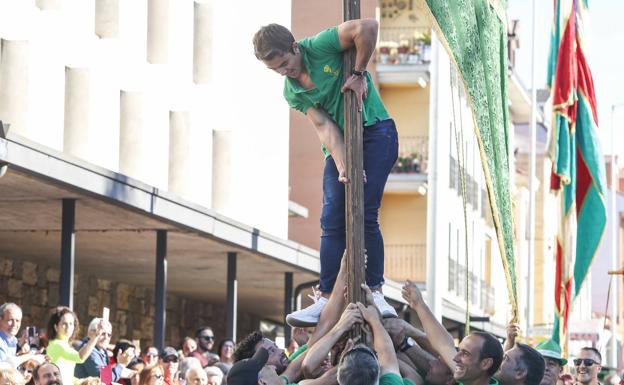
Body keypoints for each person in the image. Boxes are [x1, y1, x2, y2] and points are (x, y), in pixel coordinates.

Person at [252, 19, 399, 327]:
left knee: (364, 212)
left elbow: (368, 28)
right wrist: (344, 165)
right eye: (275, 70)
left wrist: (358, 74)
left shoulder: (320, 45)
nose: (283, 72)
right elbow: (323, 126)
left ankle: (375, 290)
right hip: (340, 142)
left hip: (375, 132)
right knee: (331, 218)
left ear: (294, 47)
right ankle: (325, 296)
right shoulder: (291, 92)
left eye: (284, 64)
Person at [402, 280, 503, 385]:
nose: (455, 358)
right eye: (459, 351)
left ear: (486, 363)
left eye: (465, 353)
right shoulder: (467, 375)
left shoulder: (466, 374)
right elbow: (443, 344)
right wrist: (419, 304)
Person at [45, 307, 106, 385]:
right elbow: (102, 376)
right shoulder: (92, 352)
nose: (106, 337)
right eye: (102, 333)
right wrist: (120, 366)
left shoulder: (104, 353)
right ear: (91, 333)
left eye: (109, 334)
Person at [0, 303, 45, 368]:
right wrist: (30, 355)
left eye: (17, 321)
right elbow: (4, 367)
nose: (14, 324)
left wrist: (20, 348)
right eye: (10, 320)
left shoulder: (14, 341)